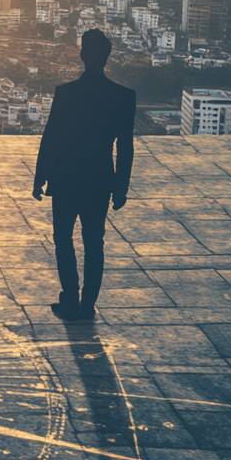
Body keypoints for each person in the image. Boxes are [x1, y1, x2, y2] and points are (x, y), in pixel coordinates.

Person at [33, 29, 135, 321]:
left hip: (65, 177)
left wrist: (40, 175)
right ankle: (88, 303)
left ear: (82, 55)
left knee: (63, 239)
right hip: (99, 179)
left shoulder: (66, 93)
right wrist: (121, 186)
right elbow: (125, 147)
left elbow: (51, 138)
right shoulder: (123, 97)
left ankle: (70, 297)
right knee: (94, 242)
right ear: (107, 57)